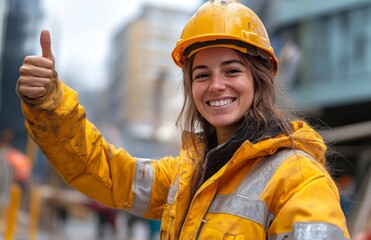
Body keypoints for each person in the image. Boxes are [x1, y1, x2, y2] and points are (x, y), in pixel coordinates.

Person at [16, 0, 350, 239]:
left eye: (232, 70)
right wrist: (48, 102)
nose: (216, 85)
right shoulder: (186, 175)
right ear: (191, 88)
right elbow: (102, 170)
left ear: (259, 79)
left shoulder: (301, 181)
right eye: (202, 74)